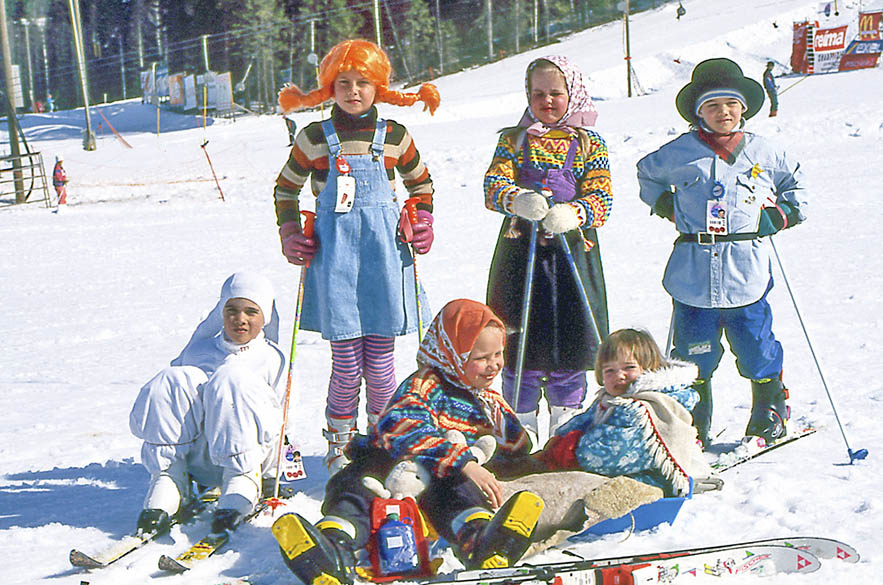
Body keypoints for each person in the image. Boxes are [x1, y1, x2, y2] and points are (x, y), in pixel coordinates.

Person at [271, 299, 544, 584]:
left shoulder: (487, 402)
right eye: (481, 358)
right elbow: (402, 425)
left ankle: (480, 540)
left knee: (459, 493)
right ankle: (332, 545)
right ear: (453, 353)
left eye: (498, 354)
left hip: (436, 483)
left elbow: (515, 447)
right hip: (387, 462)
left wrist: (545, 457)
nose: (494, 365)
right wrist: (465, 463)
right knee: (353, 487)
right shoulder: (427, 383)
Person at [273, 39, 440, 475]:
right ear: (329, 87)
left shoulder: (395, 136)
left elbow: (421, 185)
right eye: (343, 82)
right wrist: (290, 232)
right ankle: (340, 445)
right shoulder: (313, 139)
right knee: (347, 366)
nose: (353, 91)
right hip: (336, 264)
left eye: (362, 82)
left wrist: (421, 223)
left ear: (378, 87)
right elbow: (285, 189)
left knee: (383, 367)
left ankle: (381, 443)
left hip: (384, 261)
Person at [636, 57, 807, 448]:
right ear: (699, 112)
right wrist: (665, 204)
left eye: (730, 105)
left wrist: (778, 216)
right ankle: (693, 418)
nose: (723, 113)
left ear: (743, 108)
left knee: (754, 344)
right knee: (695, 352)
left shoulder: (764, 151)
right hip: (693, 272)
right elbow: (646, 173)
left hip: (744, 268)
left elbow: (796, 184)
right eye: (712, 106)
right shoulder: (679, 152)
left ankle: (770, 406)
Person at [484, 55, 612, 447]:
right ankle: (518, 427)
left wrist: (576, 212)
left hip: (572, 255)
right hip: (520, 257)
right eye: (538, 94)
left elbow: (603, 196)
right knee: (520, 334)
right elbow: (492, 185)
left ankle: (566, 425)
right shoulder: (514, 139)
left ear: (571, 93)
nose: (548, 101)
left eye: (556, 93)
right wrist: (516, 198)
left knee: (570, 335)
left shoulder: (589, 143)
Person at [129, 272, 288, 534]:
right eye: (232, 310)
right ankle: (171, 478)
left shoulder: (272, 359)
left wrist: (274, 474)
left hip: (252, 461)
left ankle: (241, 483)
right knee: (172, 378)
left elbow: (282, 418)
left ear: (265, 317)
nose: (241, 319)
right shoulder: (199, 351)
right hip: (201, 457)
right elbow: (169, 406)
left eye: (251, 311)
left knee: (232, 377)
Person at [539, 329, 713, 497]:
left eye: (628, 367)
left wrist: (572, 448)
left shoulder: (648, 408)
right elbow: (585, 420)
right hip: (614, 470)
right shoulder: (612, 399)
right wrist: (559, 440)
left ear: (649, 368)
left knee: (582, 489)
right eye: (609, 371)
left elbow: (611, 453)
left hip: (654, 481)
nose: (619, 376)